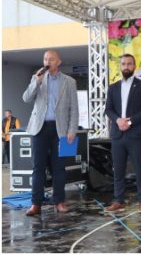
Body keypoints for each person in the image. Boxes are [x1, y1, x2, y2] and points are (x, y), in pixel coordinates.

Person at [21, 50, 80, 215]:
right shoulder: (37, 78)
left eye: (51, 59)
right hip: (39, 129)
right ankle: (36, 204)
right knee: (38, 167)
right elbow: (26, 98)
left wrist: (72, 130)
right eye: (45, 59)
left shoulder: (70, 82)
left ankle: (59, 202)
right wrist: (36, 82)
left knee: (59, 168)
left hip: (61, 130)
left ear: (58, 62)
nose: (47, 61)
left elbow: (74, 108)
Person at [103, 54, 141, 214]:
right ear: (120, 66)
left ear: (134, 66)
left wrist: (129, 122)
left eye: (129, 64)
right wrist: (118, 120)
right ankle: (118, 201)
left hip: (136, 133)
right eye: (123, 63)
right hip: (118, 134)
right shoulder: (113, 87)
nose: (126, 66)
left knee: (139, 169)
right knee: (118, 170)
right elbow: (108, 109)